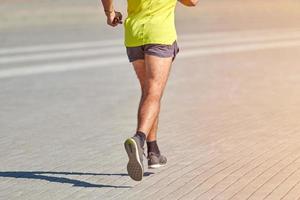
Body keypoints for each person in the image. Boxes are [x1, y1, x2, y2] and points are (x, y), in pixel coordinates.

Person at [101, 0, 198, 181]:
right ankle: (139, 139)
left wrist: (110, 13)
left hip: (134, 34)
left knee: (149, 92)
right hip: (160, 34)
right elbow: (192, 2)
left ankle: (153, 152)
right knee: (154, 92)